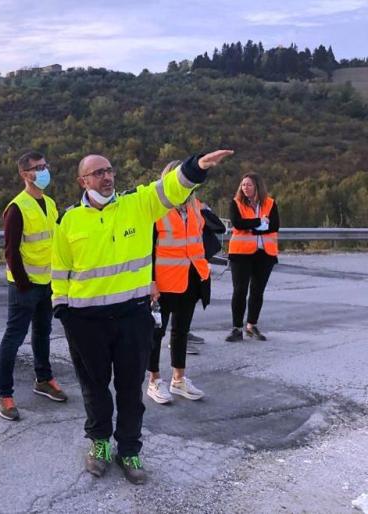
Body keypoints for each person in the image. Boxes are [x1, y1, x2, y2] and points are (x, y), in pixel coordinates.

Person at [52, 149, 234, 485]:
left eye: (109, 170)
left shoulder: (138, 204)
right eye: (97, 173)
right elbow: (60, 269)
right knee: (94, 389)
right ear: (82, 181)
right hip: (85, 321)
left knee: (129, 390)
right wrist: (63, 310)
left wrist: (196, 168)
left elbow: (170, 188)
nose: (106, 177)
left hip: (132, 318)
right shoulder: (68, 220)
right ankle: (100, 444)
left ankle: (129, 449)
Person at [0, 150, 66, 422]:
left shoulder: (49, 203)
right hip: (25, 287)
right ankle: (3, 394)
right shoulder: (17, 208)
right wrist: (23, 285)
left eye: (45, 165)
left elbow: (55, 242)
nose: (43, 171)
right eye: (37, 167)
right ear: (25, 174)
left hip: (48, 283)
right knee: (13, 338)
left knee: (43, 333)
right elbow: (11, 251)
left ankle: (44, 379)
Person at [147, 162, 213, 405]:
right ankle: (154, 381)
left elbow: (199, 238)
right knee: (156, 333)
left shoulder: (195, 205)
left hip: (192, 278)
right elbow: (146, 249)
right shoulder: (156, 207)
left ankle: (179, 379)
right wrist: (150, 281)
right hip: (163, 284)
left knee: (181, 332)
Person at [225, 172, 280, 342]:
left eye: (249, 185)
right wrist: (259, 222)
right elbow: (237, 223)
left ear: (257, 186)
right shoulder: (236, 203)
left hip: (265, 254)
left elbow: (275, 225)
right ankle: (236, 328)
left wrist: (255, 228)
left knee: (257, 291)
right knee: (240, 290)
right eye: (243, 185)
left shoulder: (270, 203)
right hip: (241, 253)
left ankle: (251, 325)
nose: (245, 188)